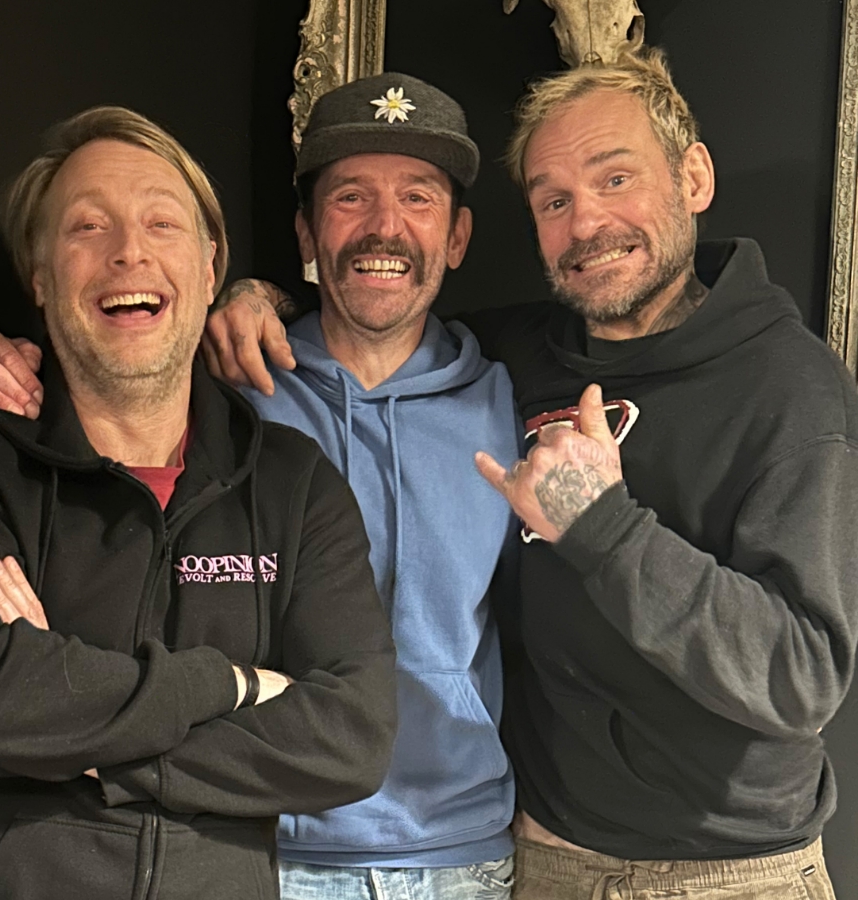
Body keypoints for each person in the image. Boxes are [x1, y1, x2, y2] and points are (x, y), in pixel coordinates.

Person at [114, 50, 858, 898]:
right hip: (516, 856)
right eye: (554, 200)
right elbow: (379, 302)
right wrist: (249, 297)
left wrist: (603, 526)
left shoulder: (786, 388)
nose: (587, 223)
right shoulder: (513, 357)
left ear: (693, 177)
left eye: (615, 179)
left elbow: (805, 676)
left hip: (714, 869)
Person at [0, 74, 522, 899]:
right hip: (260, 846)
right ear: (306, 232)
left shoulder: (513, 397)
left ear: (458, 236)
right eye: (350, 196)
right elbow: (114, 350)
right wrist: (3, 362)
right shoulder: (229, 385)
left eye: (418, 198)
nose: (385, 226)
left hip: (461, 854)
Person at [0, 105, 397, 900]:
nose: (129, 252)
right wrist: (232, 685)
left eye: (161, 222)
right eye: (88, 227)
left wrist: (79, 733)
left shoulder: (293, 483)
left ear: (211, 268)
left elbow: (351, 738)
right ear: (39, 274)